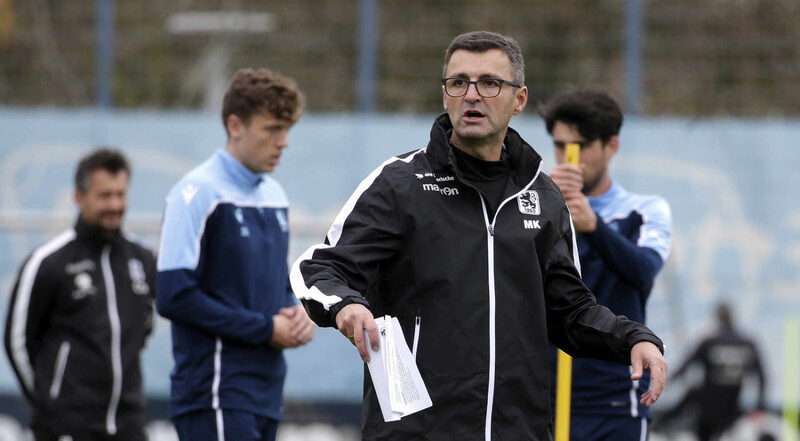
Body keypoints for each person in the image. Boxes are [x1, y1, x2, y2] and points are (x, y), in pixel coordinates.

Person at [291, 31, 668, 440]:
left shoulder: (543, 197)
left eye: (489, 83)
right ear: (445, 95)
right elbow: (319, 268)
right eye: (458, 83)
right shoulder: (400, 184)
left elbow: (570, 311)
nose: (472, 95)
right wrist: (346, 304)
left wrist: (634, 338)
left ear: (518, 99)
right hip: (417, 431)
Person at [155, 68, 315, 441]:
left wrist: (294, 313)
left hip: (265, 394)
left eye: (287, 129)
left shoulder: (275, 195)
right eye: (272, 129)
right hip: (215, 393)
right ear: (235, 125)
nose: (284, 142)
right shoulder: (195, 193)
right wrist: (265, 329)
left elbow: (273, 287)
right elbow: (173, 296)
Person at [540, 89, 673, 440]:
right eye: (559, 144)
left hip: (613, 399)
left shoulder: (643, 210)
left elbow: (643, 271)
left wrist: (594, 228)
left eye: (581, 145)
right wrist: (549, 213)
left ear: (611, 146)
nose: (569, 156)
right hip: (540, 398)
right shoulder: (534, 208)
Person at [4, 149, 155, 441]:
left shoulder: (142, 258)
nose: (115, 205)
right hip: (67, 427)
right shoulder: (49, 262)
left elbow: (143, 329)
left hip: (129, 425)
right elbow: (18, 341)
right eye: (104, 195)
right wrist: (50, 400)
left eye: (121, 194)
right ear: (78, 197)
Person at [669, 303, 766, 441]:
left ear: (718, 317)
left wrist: (669, 380)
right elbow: (762, 377)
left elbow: (687, 364)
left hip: (707, 408)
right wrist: (760, 406)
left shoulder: (709, 342)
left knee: (692, 395)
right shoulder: (747, 343)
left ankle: (661, 423)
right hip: (732, 407)